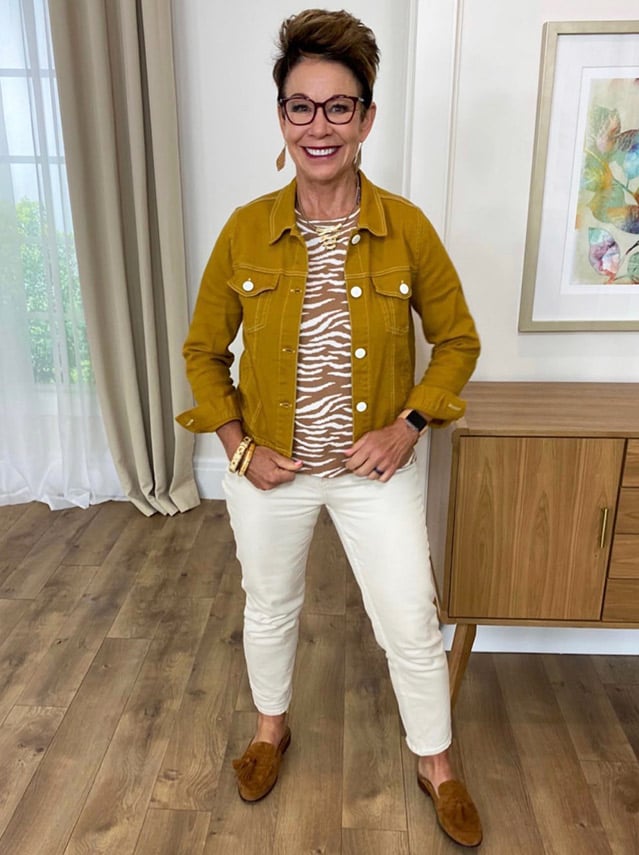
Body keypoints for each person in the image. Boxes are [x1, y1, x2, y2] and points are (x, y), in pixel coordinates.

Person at [177, 8, 482, 848]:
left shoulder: (406, 228)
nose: (319, 126)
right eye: (301, 106)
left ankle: (436, 761)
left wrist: (407, 425)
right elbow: (202, 352)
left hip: (371, 472)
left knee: (408, 618)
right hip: (269, 468)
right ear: (281, 117)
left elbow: (458, 342)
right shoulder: (246, 229)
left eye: (338, 107)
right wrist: (238, 447)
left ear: (366, 119)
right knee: (269, 604)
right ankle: (270, 729)